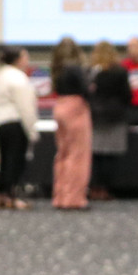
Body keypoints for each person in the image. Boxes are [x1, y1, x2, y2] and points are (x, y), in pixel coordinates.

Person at [0, 46, 38, 210]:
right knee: (15, 161)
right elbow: (26, 106)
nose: (27, 60)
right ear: (17, 59)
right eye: (25, 57)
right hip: (15, 123)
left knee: (4, 160)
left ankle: (2, 194)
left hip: (0, 122)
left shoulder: (1, 75)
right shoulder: (18, 77)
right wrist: (32, 130)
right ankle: (12, 196)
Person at [48, 38, 91, 210]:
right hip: (76, 108)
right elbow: (85, 89)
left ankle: (60, 196)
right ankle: (74, 198)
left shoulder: (56, 69)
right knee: (78, 155)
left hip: (60, 106)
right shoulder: (75, 68)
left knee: (63, 153)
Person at [87, 40, 132, 200]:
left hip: (95, 117)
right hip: (115, 117)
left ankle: (94, 188)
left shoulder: (91, 72)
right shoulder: (120, 71)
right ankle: (105, 188)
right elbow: (127, 95)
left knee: (95, 154)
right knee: (110, 155)